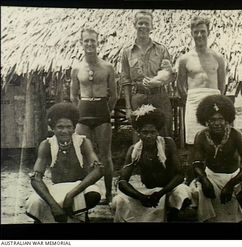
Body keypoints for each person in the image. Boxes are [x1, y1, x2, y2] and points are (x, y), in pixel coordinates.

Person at [189, 95, 242, 222]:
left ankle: (240, 204)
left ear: (227, 119)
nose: (216, 123)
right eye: (212, 119)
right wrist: (204, 180)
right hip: (212, 179)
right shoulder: (201, 136)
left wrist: (231, 184)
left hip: (234, 178)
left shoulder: (235, 134)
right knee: (195, 190)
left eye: (220, 119)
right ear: (206, 121)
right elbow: (196, 163)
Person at [111, 105, 192, 222]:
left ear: (157, 131)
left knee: (182, 193)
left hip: (169, 189)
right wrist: (141, 197)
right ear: (138, 132)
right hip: (148, 193)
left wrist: (161, 193)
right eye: (145, 132)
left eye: (152, 132)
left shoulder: (168, 144)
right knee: (119, 201)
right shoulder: (134, 150)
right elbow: (123, 181)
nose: (149, 136)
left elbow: (180, 175)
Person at [26, 103, 104, 223]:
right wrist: (53, 205)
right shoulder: (46, 145)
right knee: (35, 202)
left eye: (69, 127)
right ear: (53, 128)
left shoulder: (83, 142)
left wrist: (71, 195)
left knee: (93, 194)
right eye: (60, 127)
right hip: (57, 187)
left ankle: (78, 216)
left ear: (74, 128)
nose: (65, 131)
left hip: (79, 186)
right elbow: (35, 178)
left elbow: (98, 170)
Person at [176, 16, 226, 181]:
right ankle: (190, 182)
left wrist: (217, 103)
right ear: (191, 33)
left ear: (208, 32)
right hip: (194, 101)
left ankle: (213, 179)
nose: (199, 35)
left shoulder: (218, 57)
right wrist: (190, 100)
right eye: (196, 32)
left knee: (215, 140)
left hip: (213, 100)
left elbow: (222, 85)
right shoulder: (185, 59)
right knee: (193, 143)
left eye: (202, 32)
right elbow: (180, 85)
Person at [70, 28, 117, 204]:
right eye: (86, 41)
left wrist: (107, 111)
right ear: (81, 43)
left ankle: (109, 194)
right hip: (83, 111)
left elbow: (114, 95)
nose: (90, 44)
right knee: (82, 154)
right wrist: (79, 111)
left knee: (105, 155)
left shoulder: (107, 67)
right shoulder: (76, 68)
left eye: (93, 41)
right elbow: (73, 95)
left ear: (98, 43)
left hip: (101, 110)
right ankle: (85, 191)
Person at [121, 10, 174, 138]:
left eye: (146, 23)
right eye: (140, 23)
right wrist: (128, 108)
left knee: (164, 135)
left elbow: (168, 73)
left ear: (152, 27)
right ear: (135, 25)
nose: (143, 26)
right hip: (138, 98)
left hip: (159, 96)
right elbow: (126, 81)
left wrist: (156, 81)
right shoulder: (127, 52)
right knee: (139, 138)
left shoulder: (161, 49)